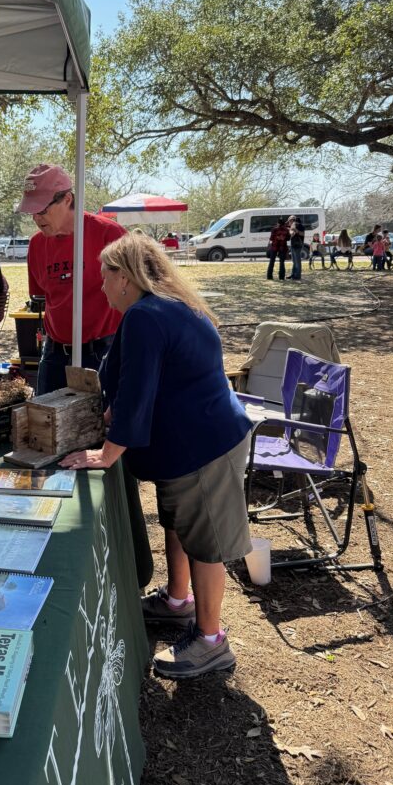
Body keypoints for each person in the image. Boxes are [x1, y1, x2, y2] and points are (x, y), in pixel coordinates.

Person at [61, 231, 252, 679]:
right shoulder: (168, 306)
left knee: (205, 543)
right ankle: (178, 601)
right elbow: (145, 378)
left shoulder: (147, 315)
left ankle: (210, 641)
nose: (101, 285)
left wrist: (106, 455)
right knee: (179, 524)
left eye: (105, 276)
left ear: (125, 277)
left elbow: (140, 393)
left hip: (203, 445)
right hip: (189, 441)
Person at [19, 163, 125, 394]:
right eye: (31, 211)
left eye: (42, 210)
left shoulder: (110, 235)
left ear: (67, 199)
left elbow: (139, 295)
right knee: (46, 420)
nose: (36, 218)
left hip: (102, 351)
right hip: (55, 353)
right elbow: (42, 296)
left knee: (98, 424)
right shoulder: (37, 244)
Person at [288, 215, 305, 280]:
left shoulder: (300, 225)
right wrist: (290, 230)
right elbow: (291, 234)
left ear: (292, 220)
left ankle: (297, 276)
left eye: (289, 221)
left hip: (298, 245)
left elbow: (302, 234)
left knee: (297, 261)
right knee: (294, 261)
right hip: (293, 245)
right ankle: (293, 274)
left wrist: (295, 231)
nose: (289, 223)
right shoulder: (292, 226)